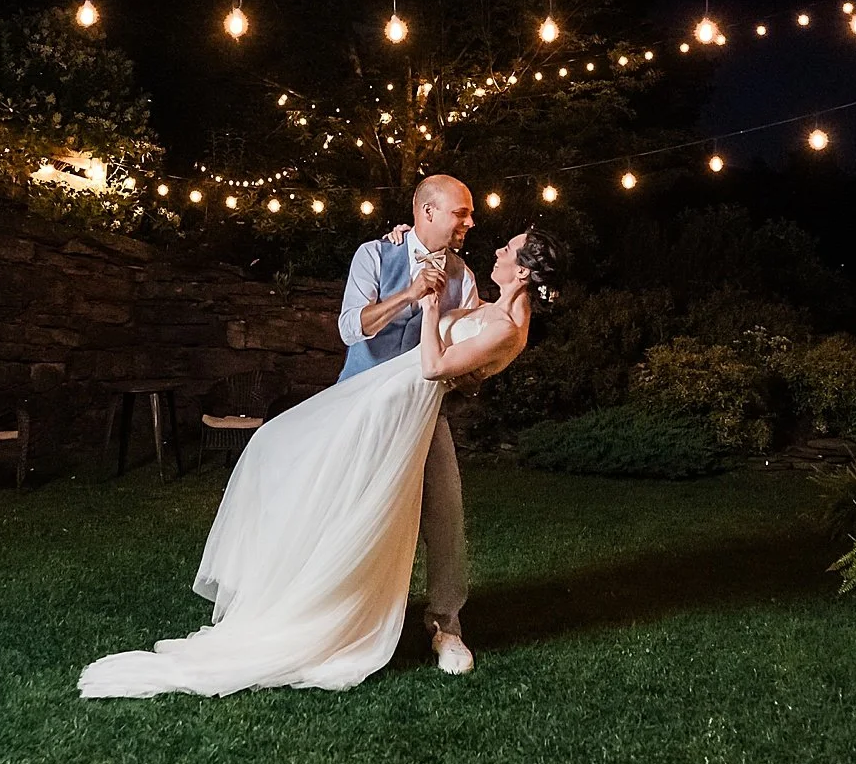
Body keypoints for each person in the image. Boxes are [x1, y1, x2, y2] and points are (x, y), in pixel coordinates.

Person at [78, 225, 563, 699]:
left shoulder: (500, 320)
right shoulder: (470, 297)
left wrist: (431, 303)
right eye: (463, 214)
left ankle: (434, 623)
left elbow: (437, 365)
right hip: (381, 397)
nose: (490, 242)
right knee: (301, 466)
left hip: (410, 408)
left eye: (509, 248)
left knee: (429, 511)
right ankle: (301, 601)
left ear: (522, 274)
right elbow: (375, 328)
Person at [336, 175, 481, 674]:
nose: (469, 221)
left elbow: (462, 348)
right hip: (363, 409)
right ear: (426, 213)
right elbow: (352, 327)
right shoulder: (376, 254)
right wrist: (410, 293)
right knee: (356, 515)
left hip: (426, 412)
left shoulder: (464, 276)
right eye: (461, 212)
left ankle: (446, 625)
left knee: (446, 515)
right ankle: (352, 619)